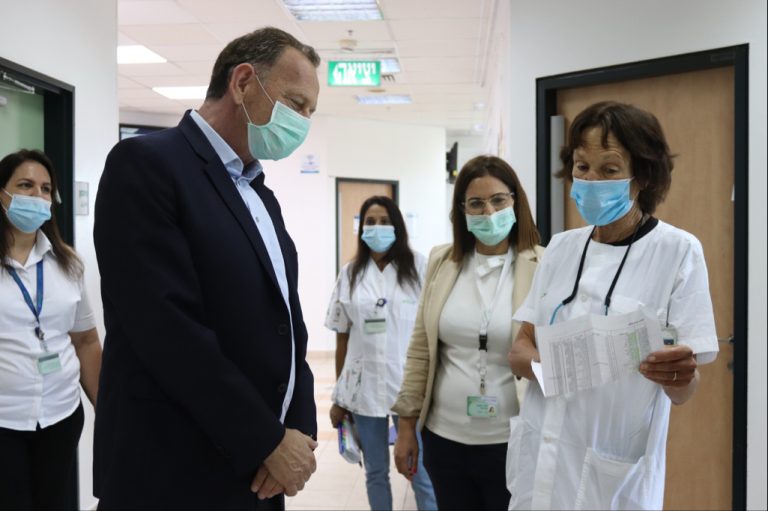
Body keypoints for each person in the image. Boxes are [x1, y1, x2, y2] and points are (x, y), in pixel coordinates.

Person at [93, 27, 320, 509]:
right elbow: (166, 327)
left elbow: (287, 319)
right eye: (296, 104)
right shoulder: (147, 164)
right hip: (174, 470)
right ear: (242, 83)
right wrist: (266, 440)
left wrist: (298, 430)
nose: (302, 122)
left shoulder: (259, 194)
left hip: (259, 471)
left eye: (309, 113)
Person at [506, 101, 719, 510]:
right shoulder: (561, 248)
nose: (591, 180)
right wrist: (563, 370)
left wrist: (677, 375)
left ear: (643, 176)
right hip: (539, 459)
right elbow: (519, 351)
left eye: (609, 169)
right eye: (582, 167)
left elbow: (684, 389)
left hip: (611, 475)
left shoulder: (678, 252)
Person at [392, 155, 543, 510]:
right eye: (476, 203)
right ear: (462, 210)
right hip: (444, 439)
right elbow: (421, 350)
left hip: (512, 439)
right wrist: (406, 427)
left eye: (498, 200)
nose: (488, 212)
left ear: (515, 201)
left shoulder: (543, 264)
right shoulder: (442, 262)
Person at [0, 149, 101, 510]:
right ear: (2, 194)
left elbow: (86, 340)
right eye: (25, 185)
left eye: (45, 189)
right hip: (5, 419)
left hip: (61, 413)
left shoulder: (68, 263)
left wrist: (106, 408)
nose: (37, 196)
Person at [325, 196, 437, 511]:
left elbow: (432, 331)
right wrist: (340, 397)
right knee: (375, 473)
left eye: (384, 221)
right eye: (370, 222)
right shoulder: (350, 273)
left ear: (397, 226)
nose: (377, 227)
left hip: (409, 386)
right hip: (364, 389)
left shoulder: (419, 267)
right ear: (361, 228)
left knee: (420, 472)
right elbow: (342, 337)